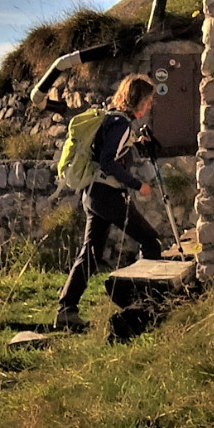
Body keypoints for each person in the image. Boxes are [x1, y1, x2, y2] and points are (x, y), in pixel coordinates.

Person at [55, 73, 163, 331]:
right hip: (107, 195)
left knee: (90, 253)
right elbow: (108, 161)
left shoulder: (112, 118)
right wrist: (138, 184)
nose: (149, 106)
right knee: (151, 241)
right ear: (137, 99)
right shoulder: (121, 124)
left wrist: (136, 142)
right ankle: (145, 305)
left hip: (93, 194)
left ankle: (66, 310)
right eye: (148, 101)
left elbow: (108, 151)